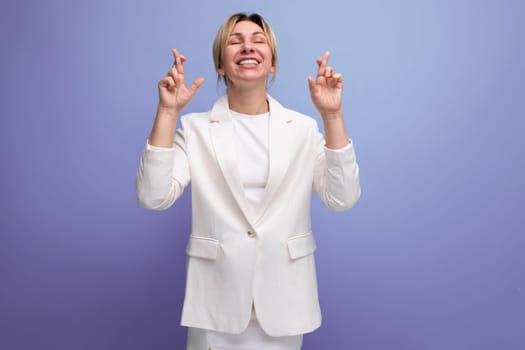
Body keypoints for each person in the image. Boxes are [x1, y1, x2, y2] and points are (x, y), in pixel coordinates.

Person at [136, 12, 361, 350]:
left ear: (272, 64)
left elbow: (342, 198)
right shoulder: (196, 129)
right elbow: (153, 197)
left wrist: (332, 116)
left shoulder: (301, 130)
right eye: (234, 41)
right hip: (217, 305)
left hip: (283, 305)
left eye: (258, 40)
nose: (247, 47)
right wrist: (168, 114)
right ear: (220, 66)